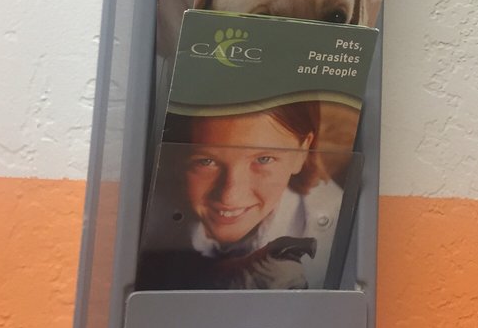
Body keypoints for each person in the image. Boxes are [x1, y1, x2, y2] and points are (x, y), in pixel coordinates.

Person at [139, 102, 344, 290]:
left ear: (302, 151)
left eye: (264, 159)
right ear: (176, 158)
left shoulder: (338, 235)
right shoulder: (143, 208)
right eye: (206, 162)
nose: (230, 197)